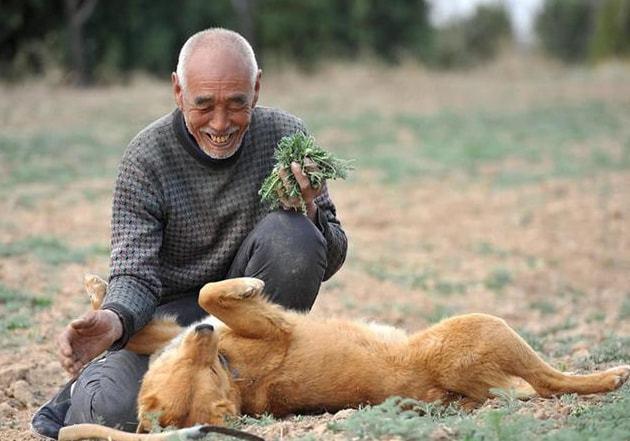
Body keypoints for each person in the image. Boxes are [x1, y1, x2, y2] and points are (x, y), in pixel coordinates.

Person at [31, 28, 347, 439]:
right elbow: (135, 275)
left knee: (294, 238)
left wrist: (308, 211)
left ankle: (246, 380)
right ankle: (94, 383)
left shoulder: (286, 135)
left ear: (256, 88)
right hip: (167, 325)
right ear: (178, 91)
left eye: (237, 103)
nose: (221, 123)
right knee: (109, 409)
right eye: (204, 105)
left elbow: (330, 256)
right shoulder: (146, 158)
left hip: (247, 325)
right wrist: (112, 320)